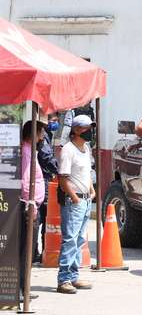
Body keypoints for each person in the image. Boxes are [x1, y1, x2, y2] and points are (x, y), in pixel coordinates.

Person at [57, 115, 96, 293]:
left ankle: (73, 276)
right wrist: (74, 197)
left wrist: (91, 189)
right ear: (78, 130)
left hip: (85, 199)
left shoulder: (86, 148)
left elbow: (86, 172)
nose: (90, 131)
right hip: (75, 201)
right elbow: (63, 178)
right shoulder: (68, 150)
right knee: (70, 239)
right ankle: (64, 279)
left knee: (79, 239)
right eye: (87, 128)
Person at [20, 120, 46, 301]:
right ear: (34, 133)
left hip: (33, 205)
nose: (43, 136)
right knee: (25, 249)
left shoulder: (31, 151)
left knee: (28, 249)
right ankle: (21, 289)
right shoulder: (26, 152)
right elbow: (24, 181)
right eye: (41, 132)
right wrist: (30, 203)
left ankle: (24, 286)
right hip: (29, 206)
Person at [35, 114, 59, 263]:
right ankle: (41, 252)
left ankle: (42, 251)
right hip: (42, 180)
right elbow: (46, 158)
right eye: (53, 121)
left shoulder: (46, 135)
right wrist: (60, 169)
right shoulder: (42, 136)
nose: (55, 123)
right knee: (43, 217)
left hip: (43, 179)